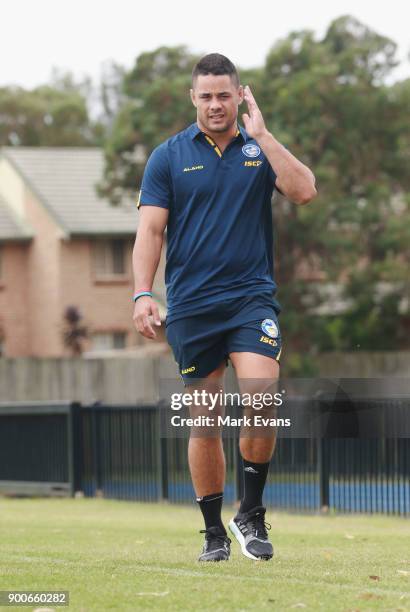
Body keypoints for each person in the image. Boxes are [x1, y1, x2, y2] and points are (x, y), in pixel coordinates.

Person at [132, 53, 316, 562]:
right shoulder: (167, 157)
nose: (215, 104)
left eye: (224, 94)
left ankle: (250, 514)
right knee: (205, 421)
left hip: (250, 299)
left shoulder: (259, 151)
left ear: (240, 96)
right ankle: (214, 533)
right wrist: (142, 292)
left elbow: (304, 191)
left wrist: (266, 137)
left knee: (261, 396)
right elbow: (149, 231)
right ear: (193, 98)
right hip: (191, 306)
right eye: (206, 95)